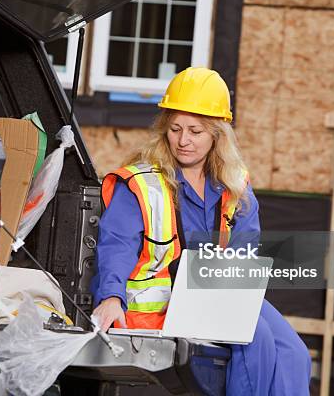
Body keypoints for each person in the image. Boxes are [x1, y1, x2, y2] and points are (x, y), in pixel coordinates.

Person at [90, 67, 311, 395]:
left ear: (216, 134)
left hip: (215, 288)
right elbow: (116, 244)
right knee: (256, 339)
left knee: (296, 353)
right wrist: (110, 295)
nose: (183, 140)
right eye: (176, 128)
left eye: (195, 131)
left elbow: (243, 252)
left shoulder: (235, 186)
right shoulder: (143, 182)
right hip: (166, 296)